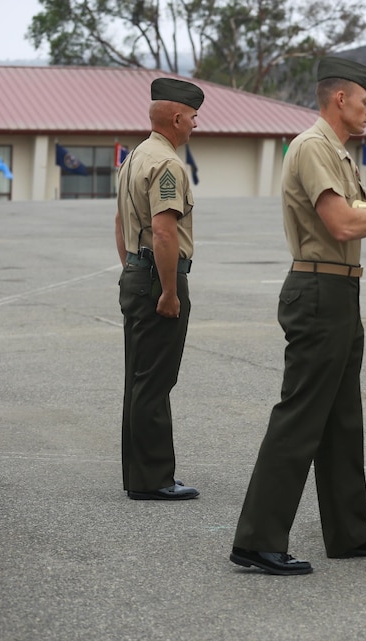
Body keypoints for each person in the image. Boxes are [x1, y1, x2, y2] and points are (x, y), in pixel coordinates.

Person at [230, 56, 366, 576]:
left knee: (343, 420)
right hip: (318, 289)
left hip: (341, 292)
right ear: (340, 99)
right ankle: (257, 540)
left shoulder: (343, 157)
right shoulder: (312, 148)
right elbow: (345, 223)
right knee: (300, 417)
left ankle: (349, 531)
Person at [114, 78, 204, 501]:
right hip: (157, 278)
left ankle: (139, 473)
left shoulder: (134, 157)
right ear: (177, 117)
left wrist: (132, 266)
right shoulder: (166, 163)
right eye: (193, 117)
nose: (195, 125)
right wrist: (168, 291)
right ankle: (154, 480)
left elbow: (120, 222)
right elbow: (165, 232)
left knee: (138, 378)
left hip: (136, 272)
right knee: (155, 382)